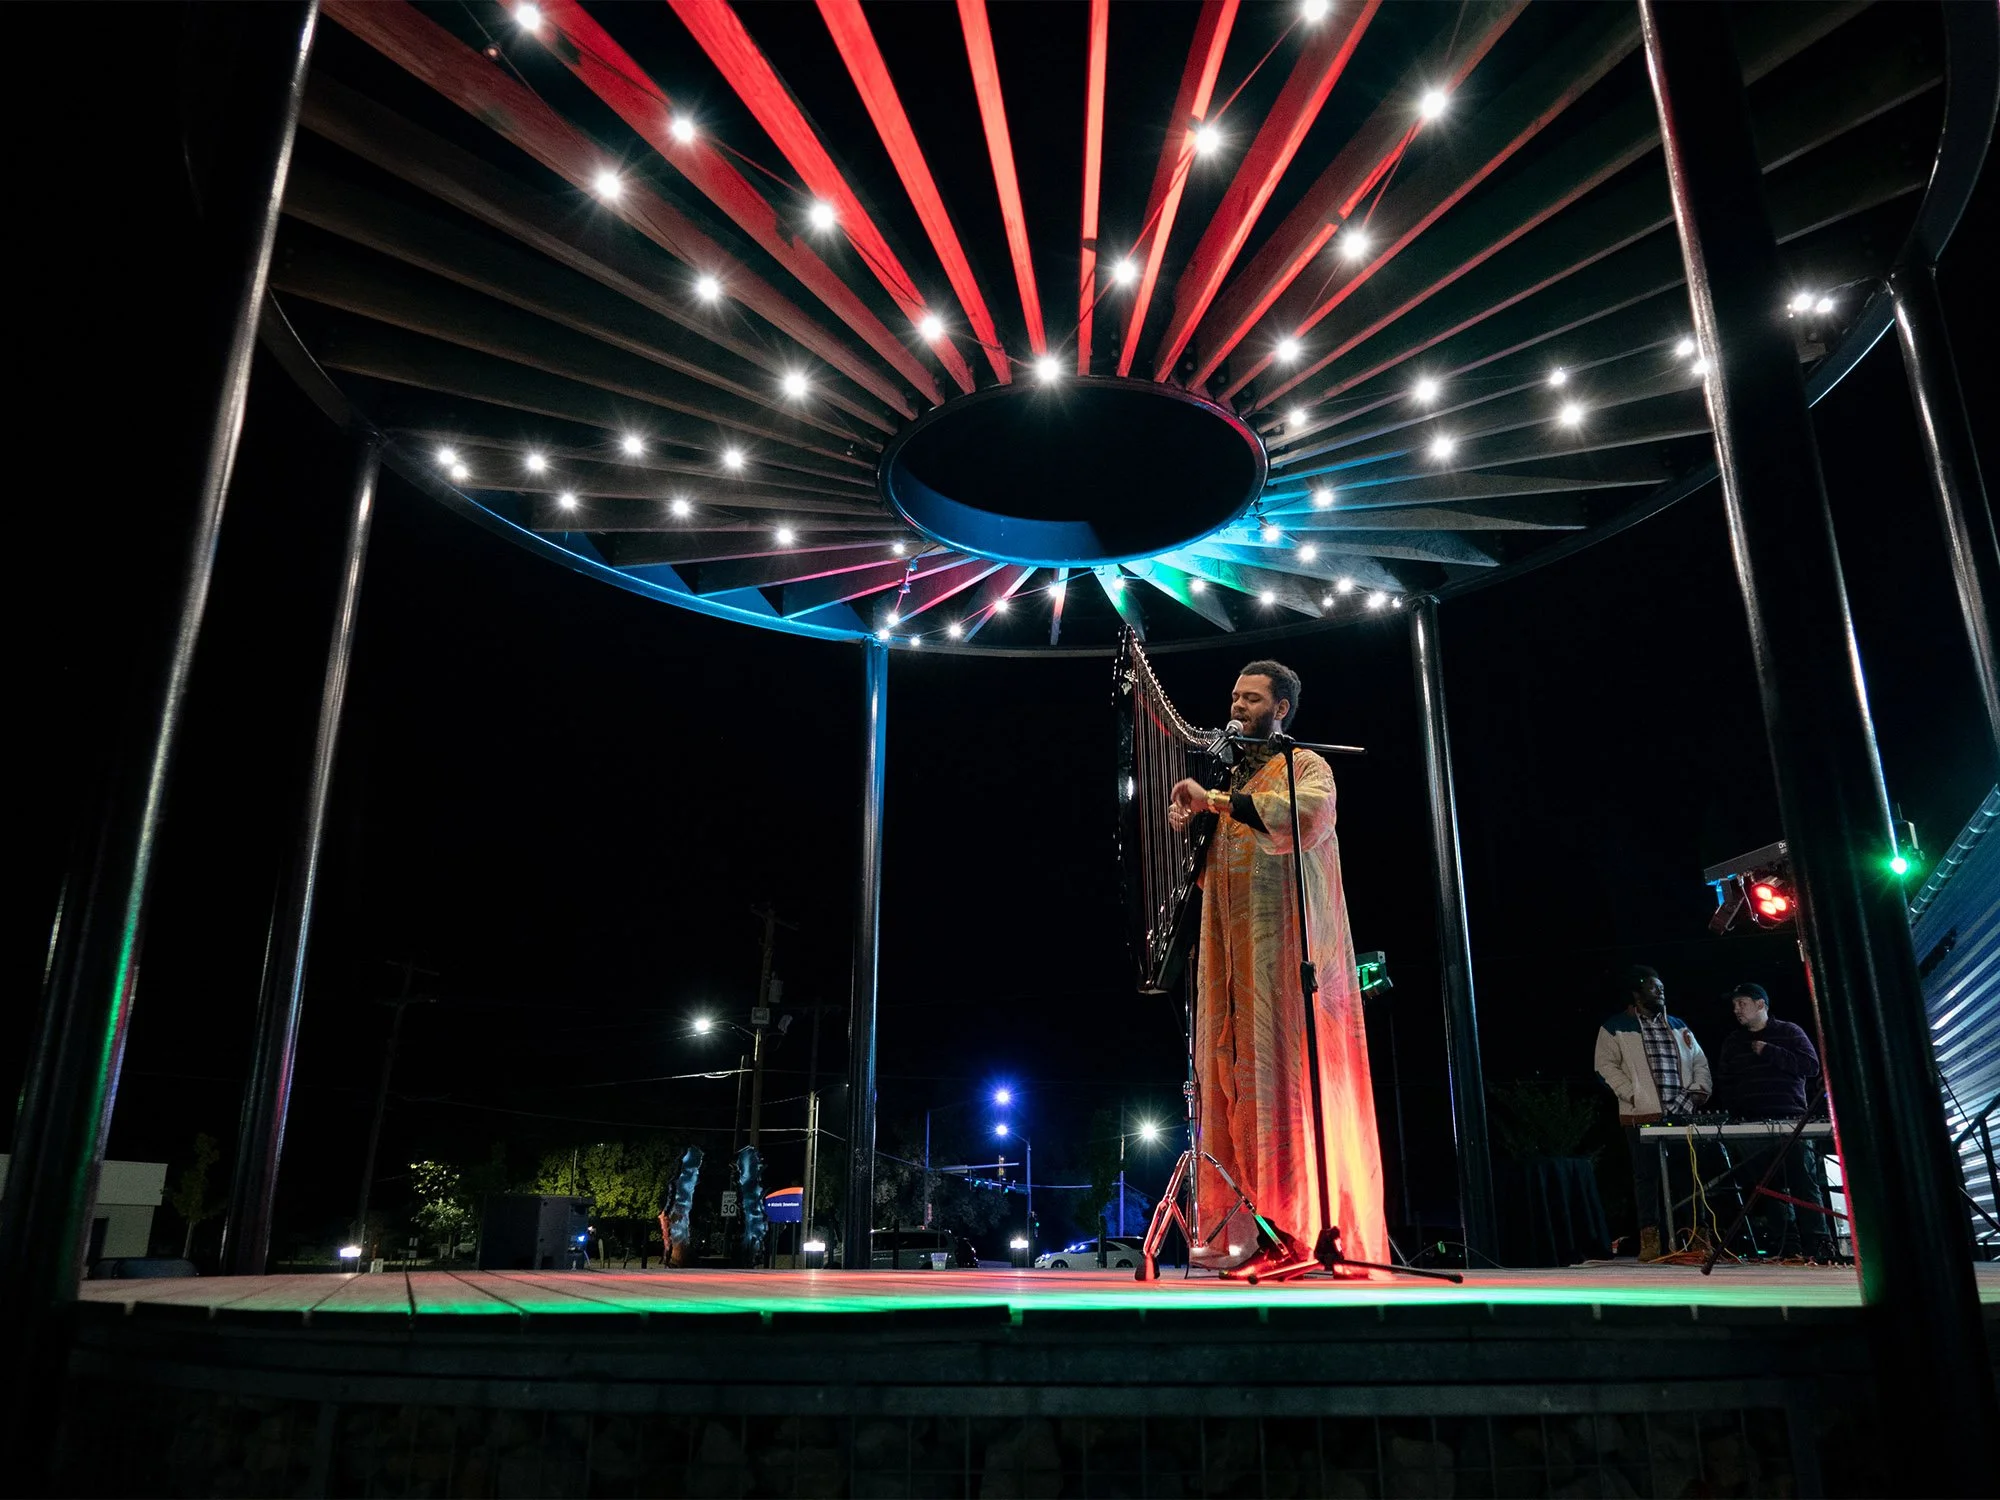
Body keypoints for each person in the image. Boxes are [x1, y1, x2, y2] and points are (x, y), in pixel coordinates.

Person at [1167, 660, 1385, 1277]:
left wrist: (1212, 800)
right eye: (1235, 696)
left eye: (1252, 698)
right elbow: (1209, 875)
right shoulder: (1229, 779)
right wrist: (1190, 821)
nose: (1237, 706)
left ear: (1281, 709)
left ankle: (1297, 1231)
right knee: (1234, 1088)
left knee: (1285, 1091)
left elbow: (1306, 818)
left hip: (1287, 969)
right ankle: (1249, 1234)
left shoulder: (1304, 766)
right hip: (1231, 970)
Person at [1594, 966, 1712, 1262]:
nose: (1660, 992)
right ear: (1637, 992)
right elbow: (1604, 1066)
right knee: (1646, 1178)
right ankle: (1651, 1240)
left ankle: (1697, 1238)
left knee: (1689, 1176)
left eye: (1661, 988)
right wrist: (1633, 1094)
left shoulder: (1678, 1024)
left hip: (1681, 1110)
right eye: (1653, 987)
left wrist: (1699, 1090)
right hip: (1642, 1113)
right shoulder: (1616, 1026)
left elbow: (1699, 1060)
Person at [1713, 983, 1833, 1259]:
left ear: (1761, 1004)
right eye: (1734, 1005)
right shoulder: (1733, 1041)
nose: (1736, 1009)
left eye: (1742, 1003)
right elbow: (1725, 1080)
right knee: (1767, 1187)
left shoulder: (1789, 1032)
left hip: (1791, 1121)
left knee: (1803, 1183)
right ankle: (1786, 1246)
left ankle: (1818, 1243)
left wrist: (1770, 1051)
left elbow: (1811, 1066)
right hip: (1751, 1124)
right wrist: (1736, 1111)